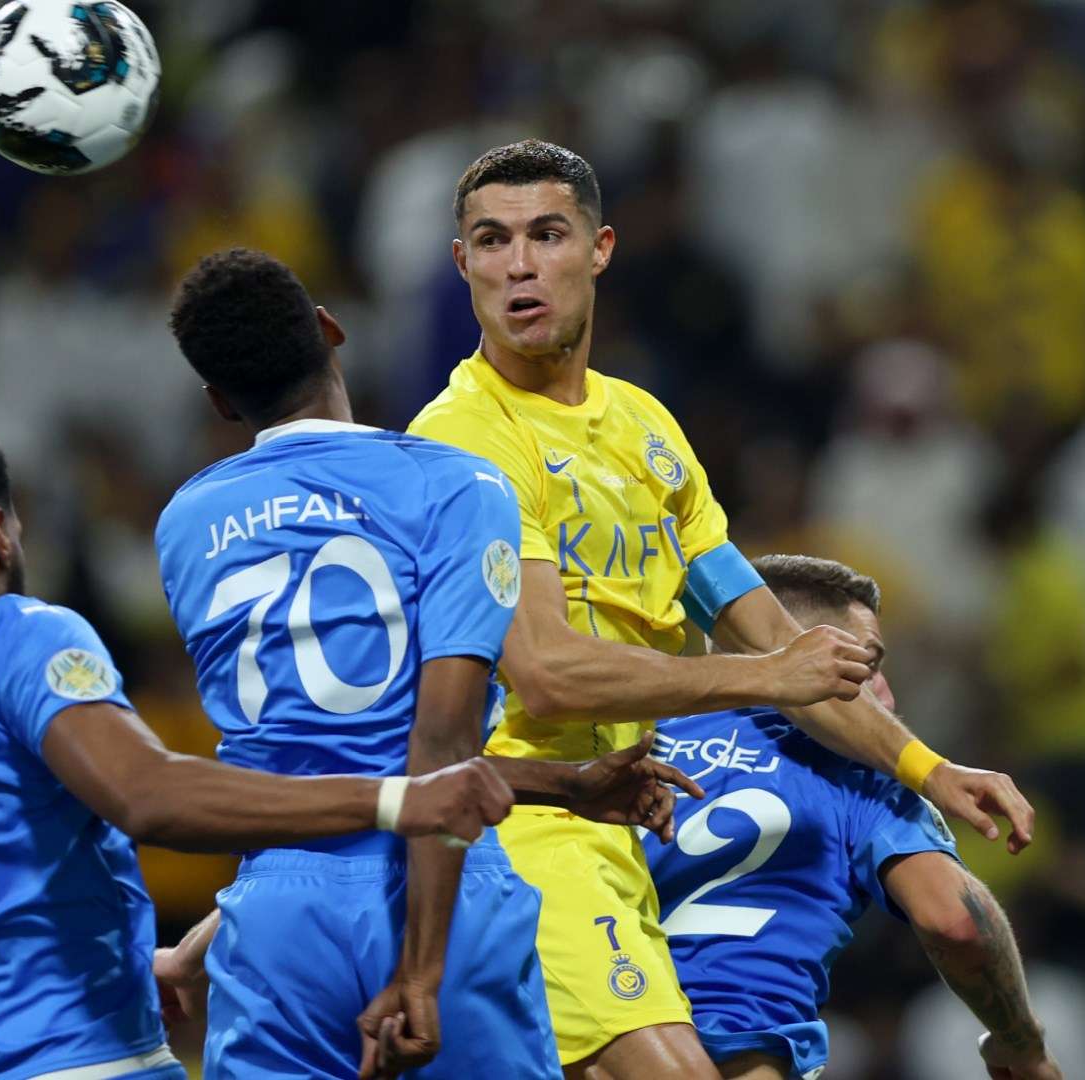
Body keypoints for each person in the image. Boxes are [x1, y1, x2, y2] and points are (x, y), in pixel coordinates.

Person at [406, 139, 1036, 1079]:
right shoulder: (465, 439)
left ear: (601, 248)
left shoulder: (646, 430)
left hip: (621, 834)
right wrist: (761, 676)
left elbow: (785, 645)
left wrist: (928, 768)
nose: (520, 265)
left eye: (547, 235)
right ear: (463, 265)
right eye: (492, 242)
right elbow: (544, 668)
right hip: (518, 824)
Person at [0, 414, 525, 1080]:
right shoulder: (14, 638)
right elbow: (150, 797)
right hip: (93, 1061)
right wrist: (393, 797)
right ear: (1, 532)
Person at [153, 248, 699, 1079]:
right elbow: (435, 743)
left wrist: (563, 784)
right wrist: (421, 968)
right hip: (435, 891)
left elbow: (324, 754)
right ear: (331, 332)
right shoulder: (458, 485)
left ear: (219, 401)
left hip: (274, 917)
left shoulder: (187, 523)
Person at [646, 554, 1062, 1080]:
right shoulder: (862, 777)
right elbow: (956, 925)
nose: (885, 692)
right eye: (869, 664)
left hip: (588, 1040)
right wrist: (1020, 1040)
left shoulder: (631, 744)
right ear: (812, 654)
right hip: (739, 1053)